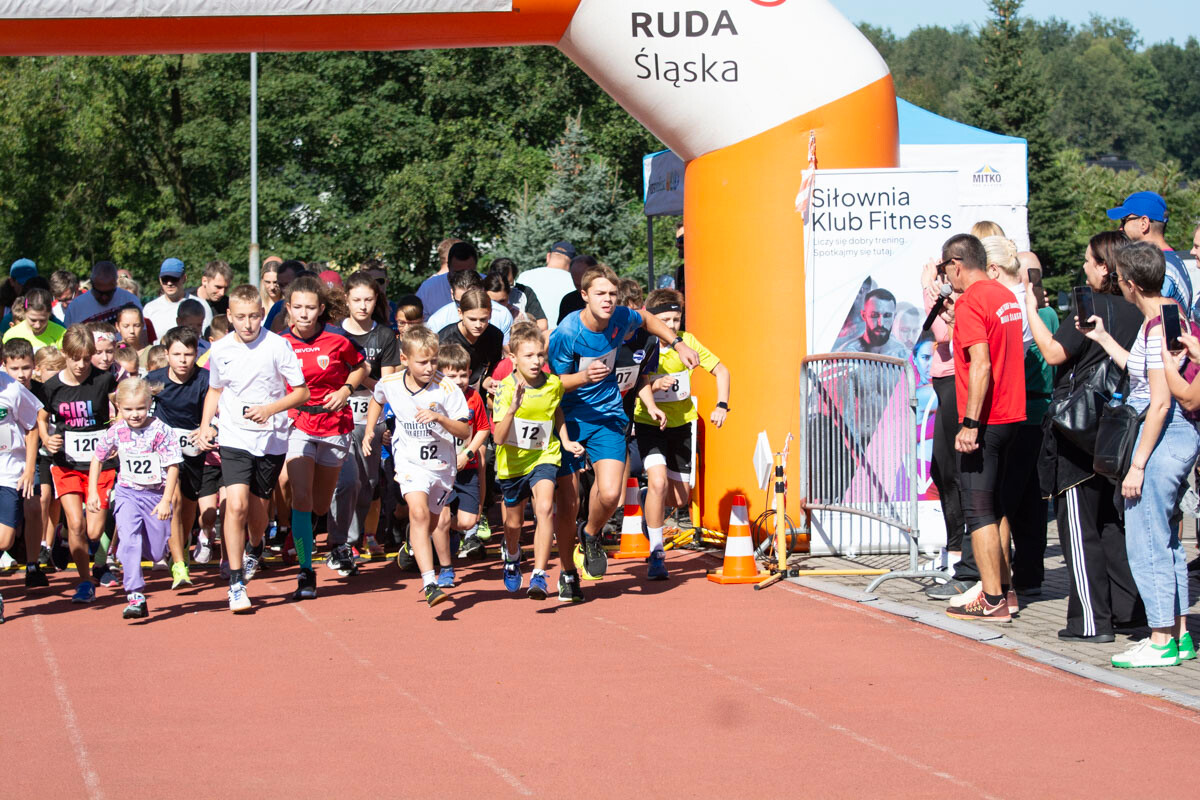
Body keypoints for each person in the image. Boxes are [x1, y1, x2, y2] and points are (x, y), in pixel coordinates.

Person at [549, 265, 699, 600]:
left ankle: (589, 535)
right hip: (567, 419)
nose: (607, 300)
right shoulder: (566, 334)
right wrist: (582, 378)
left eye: (612, 294)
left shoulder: (621, 318)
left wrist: (676, 344)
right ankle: (568, 574)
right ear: (584, 296)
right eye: (600, 294)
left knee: (610, 494)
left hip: (608, 416)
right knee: (568, 500)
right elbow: (553, 385)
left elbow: (646, 319)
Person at [1024, 230, 1143, 642]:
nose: (1084, 267)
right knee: (1112, 523)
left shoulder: (1092, 308)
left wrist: (1031, 311)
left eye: (1089, 261)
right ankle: (1129, 612)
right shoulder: (1137, 310)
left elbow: (1056, 352)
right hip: (1120, 426)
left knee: (1079, 523)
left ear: (1105, 267)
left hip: (1079, 429)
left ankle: (1090, 620)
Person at [1086, 242, 1197, 668]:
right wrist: (1102, 337)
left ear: (1130, 283)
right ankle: (1179, 634)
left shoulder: (1156, 326)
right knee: (1165, 539)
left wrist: (1137, 464)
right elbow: (1141, 368)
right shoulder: (1168, 314)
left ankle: (1160, 638)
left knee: (1146, 539)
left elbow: (1160, 402)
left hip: (1162, 437)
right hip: (1172, 436)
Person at [197, 284, 309, 613]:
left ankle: (255, 547)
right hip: (234, 436)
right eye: (241, 318)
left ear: (263, 315)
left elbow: (301, 393)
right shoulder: (219, 351)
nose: (248, 324)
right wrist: (206, 425)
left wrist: (270, 409)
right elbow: (215, 391)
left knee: (258, 514)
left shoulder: (278, 346)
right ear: (229, 317)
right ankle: (235, 583)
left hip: (271, 436)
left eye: (255, 317)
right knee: (236, 504)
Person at [939, 233, 1026, 623]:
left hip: (987, 419)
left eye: (946, 270)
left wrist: (970, 424)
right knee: (998, 505)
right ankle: (1005, 593)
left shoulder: (973, 299)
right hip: (1011, 416)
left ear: (957, 264)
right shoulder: (1005, 295)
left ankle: (991, 599)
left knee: (979, 509)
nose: (946, 277)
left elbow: (982, 364)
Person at [363, 326, 471, 608]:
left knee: (432, 522)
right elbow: (377, 399)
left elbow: (464, 431)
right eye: (422, 362)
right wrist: (369, 431)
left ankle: (415, 544)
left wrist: (438, 418)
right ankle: (429, 582)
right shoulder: (392, 382)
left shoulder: (447, 389)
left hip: (441, 466)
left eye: (433, 360)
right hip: (409, 461)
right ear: (405, 358)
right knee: (419, 513)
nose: (429, 367)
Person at [278, 275, 368, 598]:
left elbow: (361, 367)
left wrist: (346, 389)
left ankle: (326, 537)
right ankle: (306, 571)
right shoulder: (278, 342)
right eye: (298, 307)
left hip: (334, 426)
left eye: (310, 308)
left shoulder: (337, 339)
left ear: (320, 310)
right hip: (298, 424)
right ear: (288, 308)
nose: (304, 314)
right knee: (301, 498)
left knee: (318, 505)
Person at [633, 288, 730, 579]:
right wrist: (652, 387)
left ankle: (648, 498)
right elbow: (629, 384)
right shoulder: (645, 344)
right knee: (659, 481)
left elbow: (722, 370)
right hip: (649, 423)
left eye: (676, 319)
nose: (672, 325)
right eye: (665, 319)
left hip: (682, 424)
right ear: (652, 320)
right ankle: (657, 553)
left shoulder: (687, 342)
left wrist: (722, 404)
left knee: (678, 499)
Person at [492, 322, 581, 599]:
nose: (536, 361)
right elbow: (497, 438)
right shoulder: (506, 389)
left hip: (545, 454)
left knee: (544, 508)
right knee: (514, 525)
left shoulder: (553, 383)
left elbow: (557, 413)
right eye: (529, 356)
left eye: (540, 355)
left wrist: (564, 441)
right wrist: (513, 409)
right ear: (513, 358)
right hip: (513, 463)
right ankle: (513, 554)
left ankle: (540, 576)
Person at [88, 378, 182, 620]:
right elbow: (98, 458)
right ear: (119, 407)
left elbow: (173, 467)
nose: (135, 414)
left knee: (154, 552)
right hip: (127, 493)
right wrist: (92, 492)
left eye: (140, 408)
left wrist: (166, 501)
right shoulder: (117, 430)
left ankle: (156, 553)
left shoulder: (162, 431)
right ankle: (135, 595)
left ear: (150, 403)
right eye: (128, 409)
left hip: (156, 496)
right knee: (129, 541)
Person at [38, 325, 119, 604]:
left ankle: (75, 543)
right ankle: (85, 582)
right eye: (76, 358)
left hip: (101, 465)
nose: (82, 364)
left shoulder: (105, 380)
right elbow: (41, 418)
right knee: (75, 523)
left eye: (87, 358)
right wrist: (47, 439)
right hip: (67, 465)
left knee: (93, 531)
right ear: (65, 355)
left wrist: (117, 427)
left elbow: (117, 410)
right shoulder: (51, 387)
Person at [328, 272, 400, 562]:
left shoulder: (384, 335)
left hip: (372, 417)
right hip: (340, 416)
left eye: (368, 300)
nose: (362, 306)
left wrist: (362, 376)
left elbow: (389, 384)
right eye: (356, 300)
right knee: (346, 482)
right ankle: (343, 541)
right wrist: (353, 381)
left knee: (369, 483)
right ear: (346, 300)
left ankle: (356, 538)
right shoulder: (334, 334)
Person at [146, 326, 213, 591]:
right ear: (166, 354)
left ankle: (182, 548)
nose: (182, 360)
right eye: (177, 354)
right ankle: (178, 566)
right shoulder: (154, 380)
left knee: (187, 510)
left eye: (188, 354)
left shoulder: (205, 379)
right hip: (164, 454)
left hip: (193, 451)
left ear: (196, 354)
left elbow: (219, 409)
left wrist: (209, 428)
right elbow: (132, 405)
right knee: (170, 501)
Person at [436, 343, 492, 570]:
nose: (458, 380)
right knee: (441, 517)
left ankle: (452, 532)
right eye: (452, 376)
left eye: (462, 375)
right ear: (440, 375)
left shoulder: (474, 397)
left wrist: (468, 453)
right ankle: (426, 534)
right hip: (440, 467)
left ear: (470, 373)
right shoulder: (435, 397)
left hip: (466, 466)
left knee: (468, 521)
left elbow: (483, 429)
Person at [0, 353, 44, 623]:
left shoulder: (12, 389)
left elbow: (32, 428)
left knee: (4, 540)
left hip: (8, 472)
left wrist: (29, 470)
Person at [1107, 191, 1192, 318]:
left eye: (1124, 221)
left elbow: (1154, 316)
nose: (1120, 228)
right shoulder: (1167, 260)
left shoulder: (1163, 268)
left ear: (1144, 223)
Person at [31, 345, 64, 577]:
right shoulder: (35, 392)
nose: (54, 373)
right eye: (49, 369)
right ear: (38, 369)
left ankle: (48, 547)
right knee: (43, 497)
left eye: (58, 369)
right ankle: (40, 541)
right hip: (42, 453)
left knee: (55, 501)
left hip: (61, 453)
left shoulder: (63, 390)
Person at [437, 287, 504, 391]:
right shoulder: (443, 340)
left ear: (490, 314)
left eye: (483, 319)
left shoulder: (495, 336)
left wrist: (487, 381)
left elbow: (493, 368)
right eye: (472, 319)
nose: (478, 325)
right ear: (460, 313)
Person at [426, 269, 514, 342]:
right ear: (452, 294)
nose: (468, 308)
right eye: (460, 303)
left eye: (474, 301)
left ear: (483, 292)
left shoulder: (502, 315)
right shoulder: (437, 321)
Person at [519, 241, 577, 333]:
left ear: (548, 256)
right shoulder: (576, 282)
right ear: (572, 263)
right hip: (561, 338)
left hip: (528, 338)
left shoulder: (525, 276)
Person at [142, 258, 204, 343]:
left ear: (184, 278)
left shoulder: (200, 305)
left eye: (174, 279)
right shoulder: (150, 309)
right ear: (160, 280)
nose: (169, 283)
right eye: (165, 279)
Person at [835, 288, 910, 358]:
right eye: (874, 315)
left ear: (894, 317)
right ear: (863, 315)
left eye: (887, 316)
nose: (881, 323)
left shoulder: (904, 355)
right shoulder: (845, 354)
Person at [63, 261, 142, 327]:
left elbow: (142, 337)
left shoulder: (130, 300)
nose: (104, 297)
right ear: (92, 284)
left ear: (115, 284)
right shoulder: (75, 307)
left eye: (109, 293)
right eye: (100, 293)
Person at [417, 240, 478, 315]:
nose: (463, 276)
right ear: (448, 266)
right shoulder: (428, 289)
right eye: (457, 272)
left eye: (468, 272)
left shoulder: (487, 285)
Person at [489, 257, 547, 331]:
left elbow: (542, 324)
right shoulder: (482, 291)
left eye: (509, 285)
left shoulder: (524, 292)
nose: (504, 291)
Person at [557, 255, 597, 324]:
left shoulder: (606, 297)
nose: (579, 283)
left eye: (583, 277)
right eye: (577, 284)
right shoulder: (569, 300)